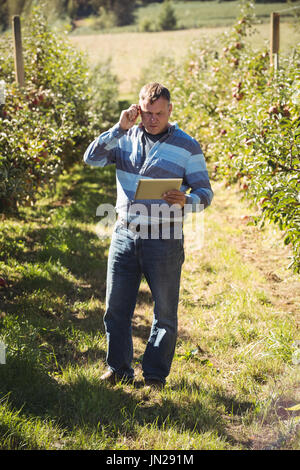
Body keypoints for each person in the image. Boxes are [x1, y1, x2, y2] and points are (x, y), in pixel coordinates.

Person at [83, 82, 213, 389]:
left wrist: (188, 200)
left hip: (164, 239)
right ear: (138, 109)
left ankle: (155, 376)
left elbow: (205, 192)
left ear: (169, 110)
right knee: (116, 308)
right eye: (147, 113)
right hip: (125, 236)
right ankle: (118, 368)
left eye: (159, 113)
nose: (153, 119)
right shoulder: (124, 137)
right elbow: (91, 158)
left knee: (165, 312)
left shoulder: (187, 146)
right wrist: (118, 127)